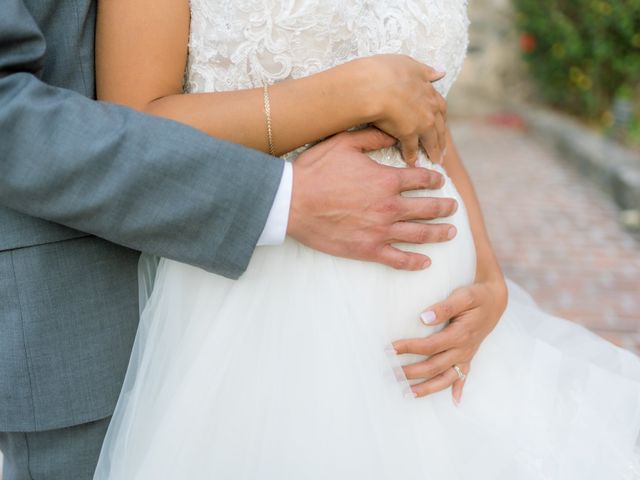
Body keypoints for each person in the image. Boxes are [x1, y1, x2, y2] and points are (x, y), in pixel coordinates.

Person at [92, 1, 640, 479]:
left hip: (443, 341)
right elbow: (129, 125)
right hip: (263, 324)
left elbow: (428, 125)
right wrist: (351, 93)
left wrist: (490, 279)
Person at [0, 1, 460, 479]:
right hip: (195, 304)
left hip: (429, 309)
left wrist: (486, 273)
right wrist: (287, 192)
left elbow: (426, 105)